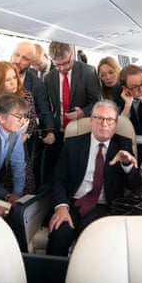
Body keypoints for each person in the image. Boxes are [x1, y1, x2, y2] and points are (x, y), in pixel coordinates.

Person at [46, 99, 142, 256]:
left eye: (110, 120)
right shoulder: (73, 144)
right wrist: (62, 207)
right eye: (99, 118)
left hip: (104, 206)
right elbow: (59, 180)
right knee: (59, 233)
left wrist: (127, 165)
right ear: (91, 120)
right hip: (73, 203)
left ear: (116, 124)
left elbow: (137, 187)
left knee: (91, 241)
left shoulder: (123, 145)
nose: (104, 124)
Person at [43, 41, 101, 186]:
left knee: (77, 172)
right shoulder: (48, 78)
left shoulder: (88, 71)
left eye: (66, 63)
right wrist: (50, 130)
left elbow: (97, 102)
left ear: (72, 54)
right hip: (59, 131)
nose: (62, 68)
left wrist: (83, 113)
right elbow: (49, 108)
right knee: (58, 172)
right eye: (57, 65)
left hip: (81, 131)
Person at [0, 61, 38, 194]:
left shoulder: (14, 131)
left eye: (14, 77)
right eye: (7, 79)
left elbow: (19, 166)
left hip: (14, 145)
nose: (13, 82)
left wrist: (16, 196)